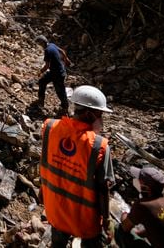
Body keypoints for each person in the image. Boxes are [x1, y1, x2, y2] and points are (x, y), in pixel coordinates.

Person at [40, 86, 115, 248]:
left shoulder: (50, 128)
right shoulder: (98, 145)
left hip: (56, 208)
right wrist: (106, 219)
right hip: (84, 218)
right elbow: (104, 188)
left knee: (57, 243)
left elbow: (46, 163)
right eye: (100, 114)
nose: (101, 119)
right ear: (89, 114)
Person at [118, 166, 164, 247]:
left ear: (146, 188)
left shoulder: (143, 205)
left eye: (138, 180)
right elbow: (162, 228)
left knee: (119, 230)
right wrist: (142, 233)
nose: (135, 181)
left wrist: (124, 215)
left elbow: (125, 227)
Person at [32, 35, 71, 115]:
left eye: (40, 44)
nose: (40, 46)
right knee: (42, 81)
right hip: (57, 71)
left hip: (57, 74)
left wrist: (40, 71)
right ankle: (41, 101)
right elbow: (62, 51)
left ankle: (65, 108)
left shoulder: (47, 50)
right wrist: (66, 59)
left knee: (60, 91)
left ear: (42, 43)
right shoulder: (52, 45)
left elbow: (47, 66)